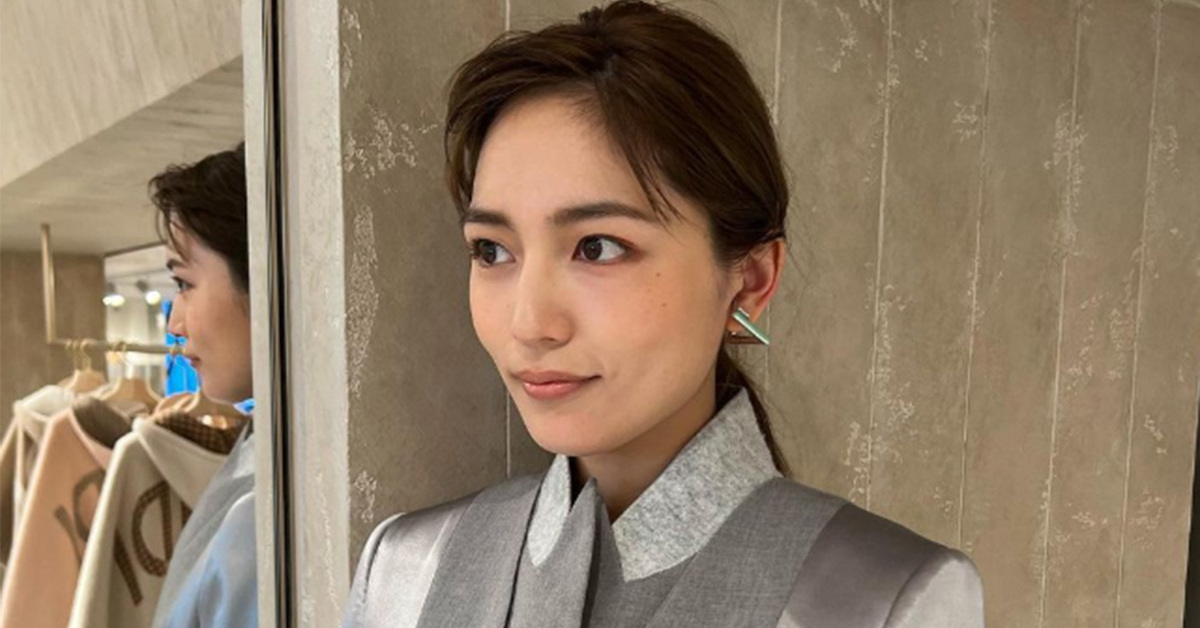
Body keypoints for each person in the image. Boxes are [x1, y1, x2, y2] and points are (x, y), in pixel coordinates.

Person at [343, 2, 984, 627]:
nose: (529, 323)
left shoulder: (886, 602)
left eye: (598, 247)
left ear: (750, 280)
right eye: (492, 250)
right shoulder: (405, 569)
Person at [150, 143, 258, 628]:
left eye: (184, 284)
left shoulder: (264, 510)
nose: (174, 324)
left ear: (263, 278)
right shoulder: (260, 454)